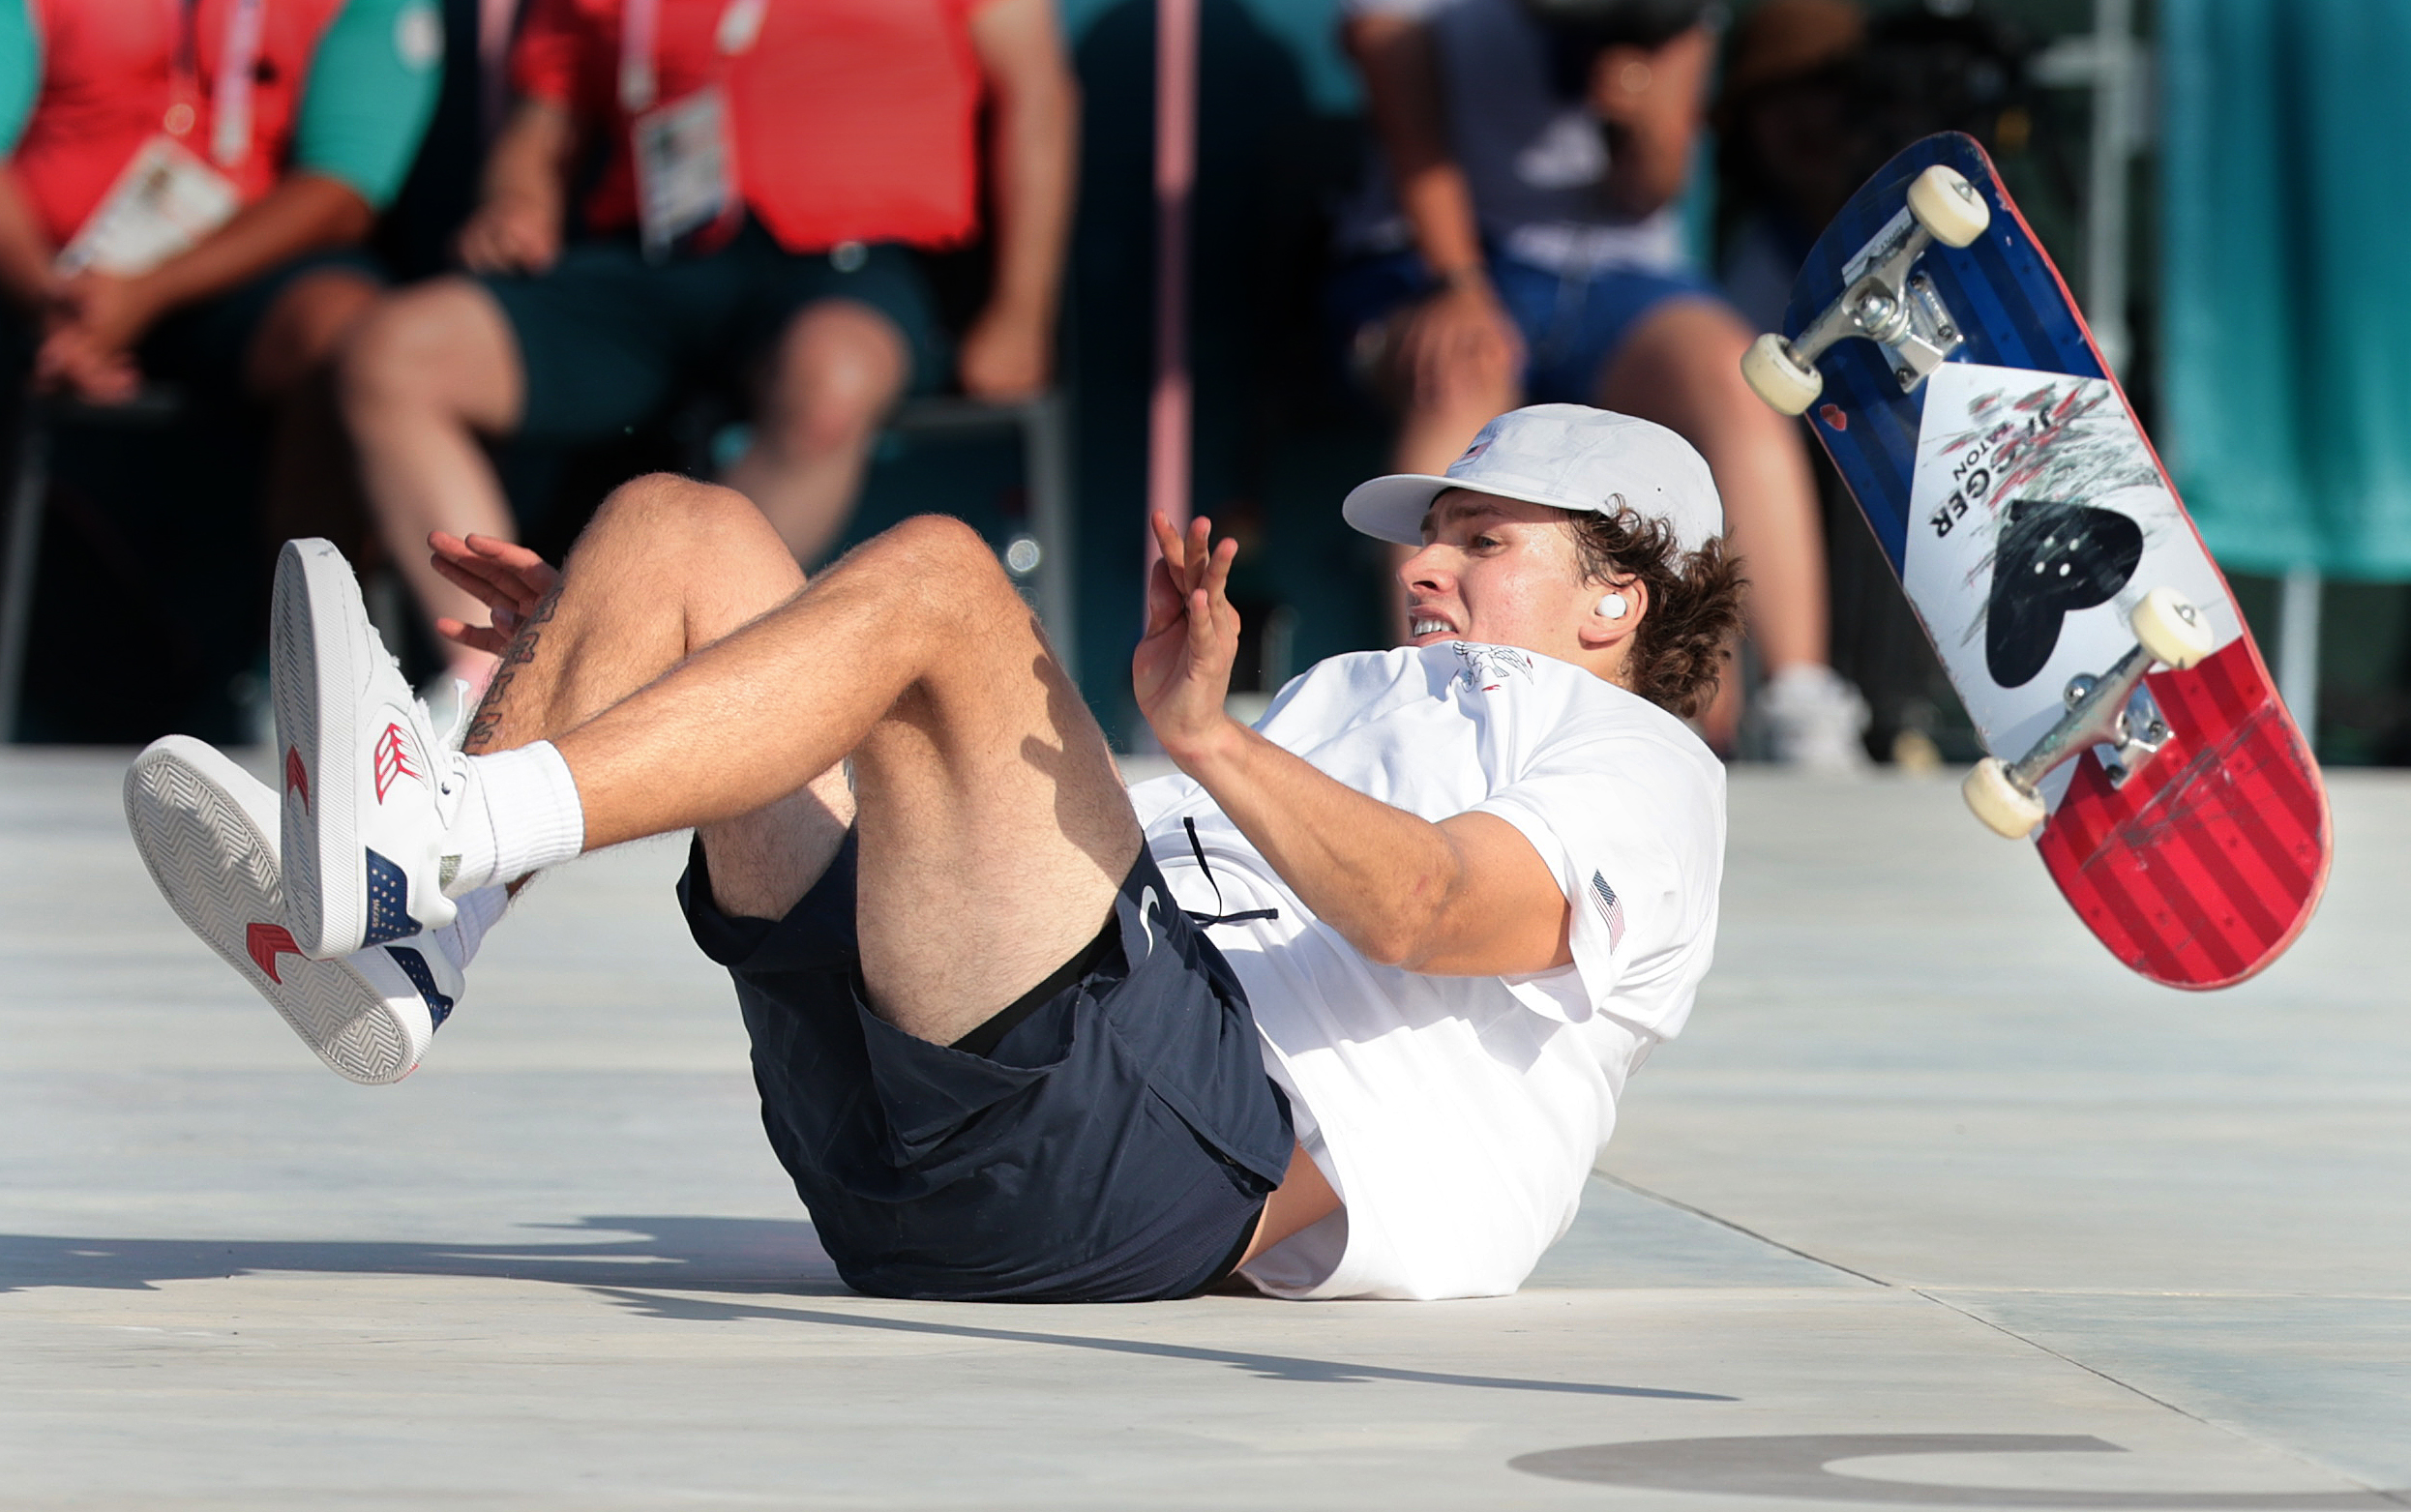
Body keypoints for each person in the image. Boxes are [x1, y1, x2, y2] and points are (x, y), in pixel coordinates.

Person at [126, 402, 1735, 1302]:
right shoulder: (1350, 691)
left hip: (1162, 1179)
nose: (1428, 571)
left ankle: (438, 839)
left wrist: (1214, 735)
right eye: (1427, 537)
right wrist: (617, 663)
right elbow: (1039, 859)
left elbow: (1433, 906)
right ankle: (415, 947)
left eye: (1483, 540)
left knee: (943, 580)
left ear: (1622, 597)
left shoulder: (1639, 766)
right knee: (678, 528)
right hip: (933, 1135)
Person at [339, 0, 1078, 696]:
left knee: (832, 383)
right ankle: (493, 689)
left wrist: (1022, 310)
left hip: (858, 261)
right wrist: (517, 201)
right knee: (394, 354)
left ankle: (643, 681)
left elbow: (1038, 96)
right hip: (655, 259)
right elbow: (542, 123)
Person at [1334, 0, 1867, 767]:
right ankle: (1432, 714)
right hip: (1435, 262)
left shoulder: (1675, 15)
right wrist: (1460, 285)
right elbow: (1413, 133)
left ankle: (1797, 703)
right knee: (1459, 378)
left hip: (1617, 277)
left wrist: (1641, 117)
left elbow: (1652, 186)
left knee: (1736, 375)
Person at [0, 0, 442, 543]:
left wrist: (147, 292)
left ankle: (301, 615)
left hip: (241, 276)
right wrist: (51, 297)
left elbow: (344, 190)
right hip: (37, 274)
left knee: (351, 330)